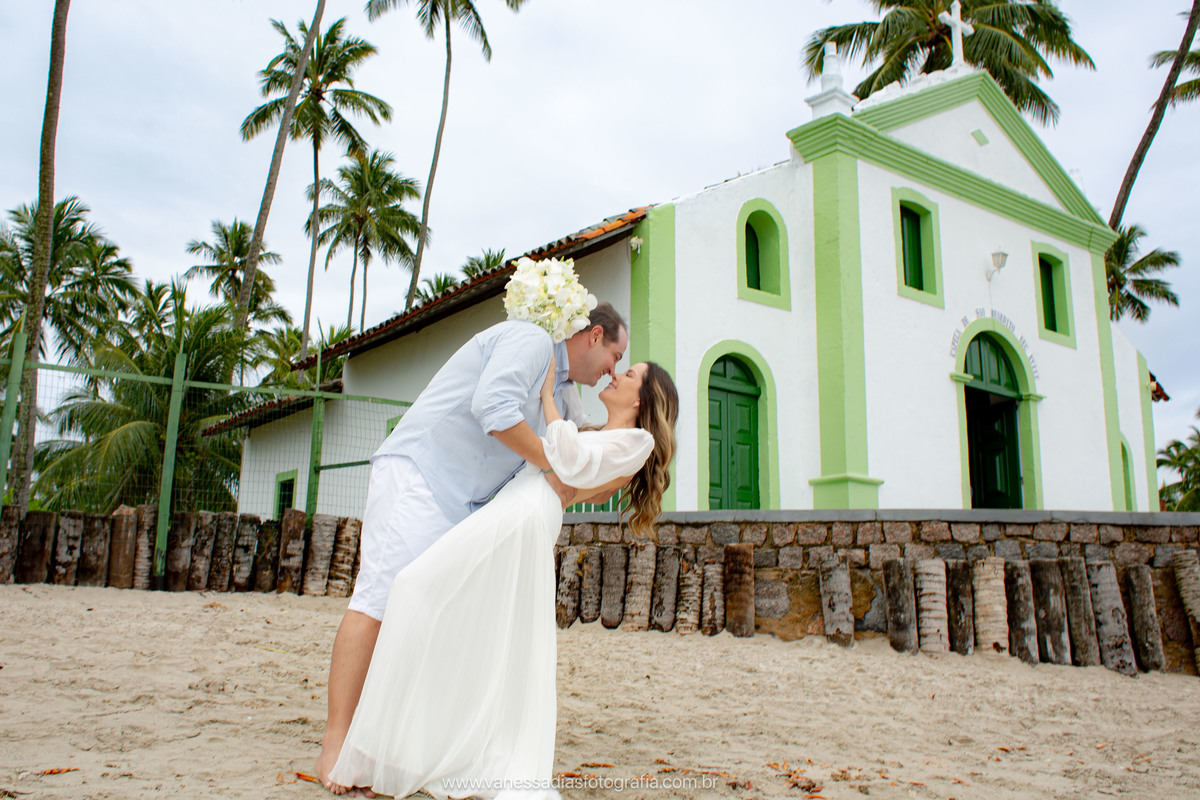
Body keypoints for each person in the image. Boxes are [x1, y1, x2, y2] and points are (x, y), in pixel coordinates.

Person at [327, 357, 678, 799]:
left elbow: (568, 461)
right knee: (461, 620)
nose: (615, 374)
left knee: (414, 589)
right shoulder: (598, 431)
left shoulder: (637, 442)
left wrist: (547, 396)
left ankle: (382, 749)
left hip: (524, 515)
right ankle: (405, 747)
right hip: (515, 507)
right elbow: (563, 454)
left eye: (628, 375)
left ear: (642, 399)